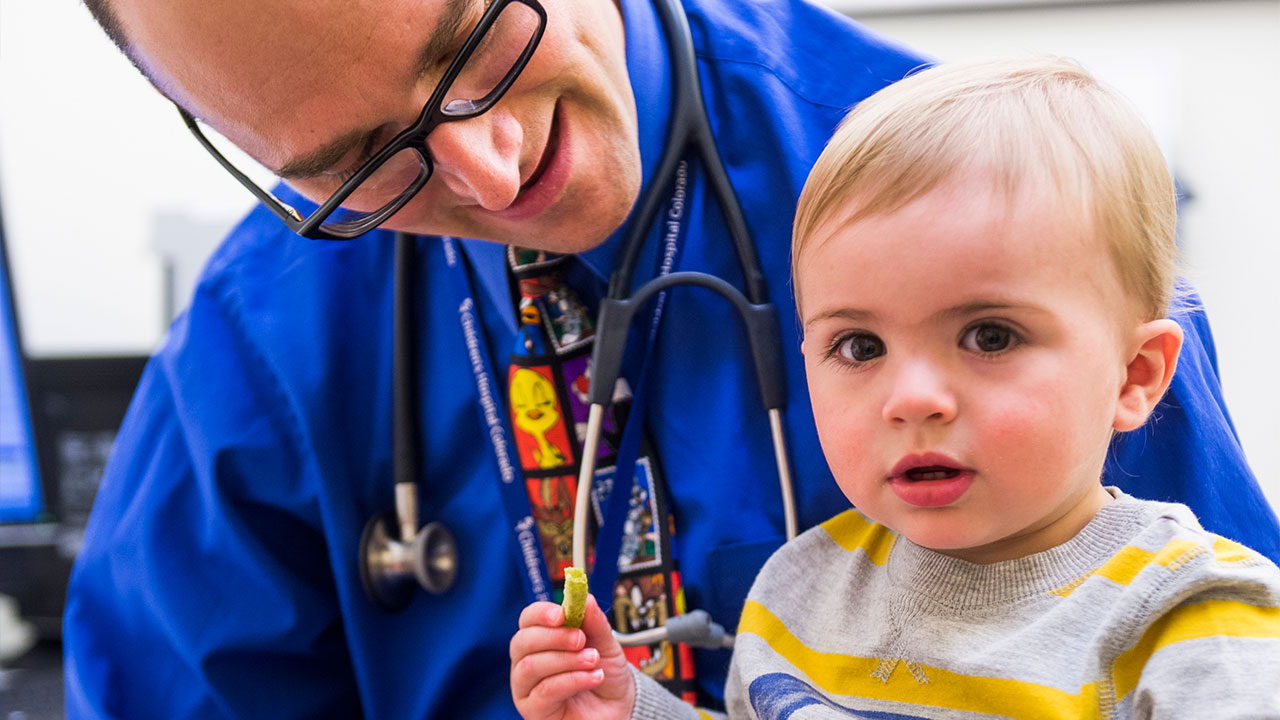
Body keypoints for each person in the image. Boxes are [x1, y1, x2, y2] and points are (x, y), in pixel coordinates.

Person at [63, 0, 1277, 714]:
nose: (487, 173)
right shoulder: (260, 334)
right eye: (354, 162)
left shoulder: (996, 210)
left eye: (474, 33)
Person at [507, 56, 1280, 720]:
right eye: (860, 345)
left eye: (990, 336)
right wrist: (629, 704)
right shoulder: (799, 593)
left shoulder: (1192, 621)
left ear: (1134, 376)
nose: (912, 398)